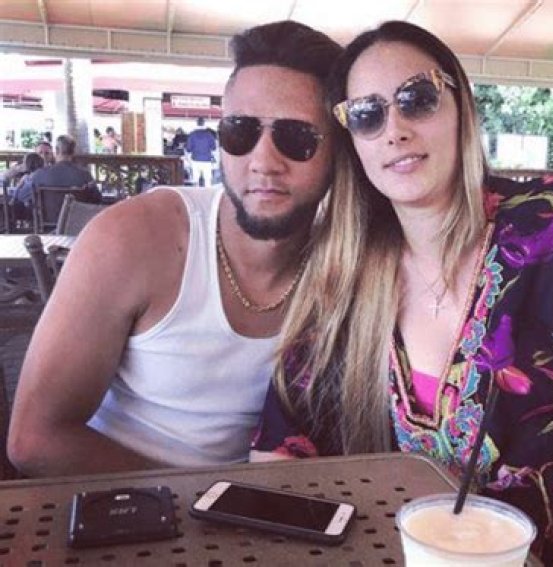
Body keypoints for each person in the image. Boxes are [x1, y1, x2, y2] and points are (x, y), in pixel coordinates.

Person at [251, 21, 553, 565]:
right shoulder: (346, 276)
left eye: (417, 98)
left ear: (462, 108)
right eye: (366, 114)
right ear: (352, 141)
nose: (394, 129)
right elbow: (281, 444)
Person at [8, 21, 341, 476]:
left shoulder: (348, 263)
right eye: (240, 132)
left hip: (260, 500)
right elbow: (35, 440)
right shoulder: (133, 238)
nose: (263, 161)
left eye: (297, 137)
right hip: (119, 497)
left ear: (340, 153)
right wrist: (198, 498)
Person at [13, 135, 100, 210]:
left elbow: (21, 196)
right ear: (73, 152)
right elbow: (98, 199)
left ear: (56, 151)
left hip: (46, 223)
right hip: (77, 223)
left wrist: (21, 184)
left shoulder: (40, 174)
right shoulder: (85, 175)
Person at [186, 117, 217, 186]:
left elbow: (188, 149)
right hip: (207, 160)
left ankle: (196, 192)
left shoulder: (192, 134)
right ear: (204, 123)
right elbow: (214, 148)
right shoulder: (209, 135)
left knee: (195, 181)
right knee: (208, 181)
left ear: (197, 123)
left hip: (195, 159)